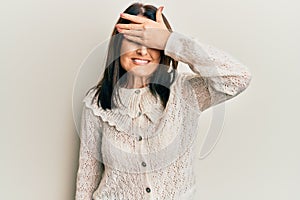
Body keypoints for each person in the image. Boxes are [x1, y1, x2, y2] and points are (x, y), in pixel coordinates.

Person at [75, 3, 252, 200]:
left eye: (152, 43)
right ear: (118, 45)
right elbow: (88, 176)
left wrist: (172, 41)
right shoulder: (97, 101)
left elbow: (238, 77)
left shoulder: (185, 92)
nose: (143, 52)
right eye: (134, 40)